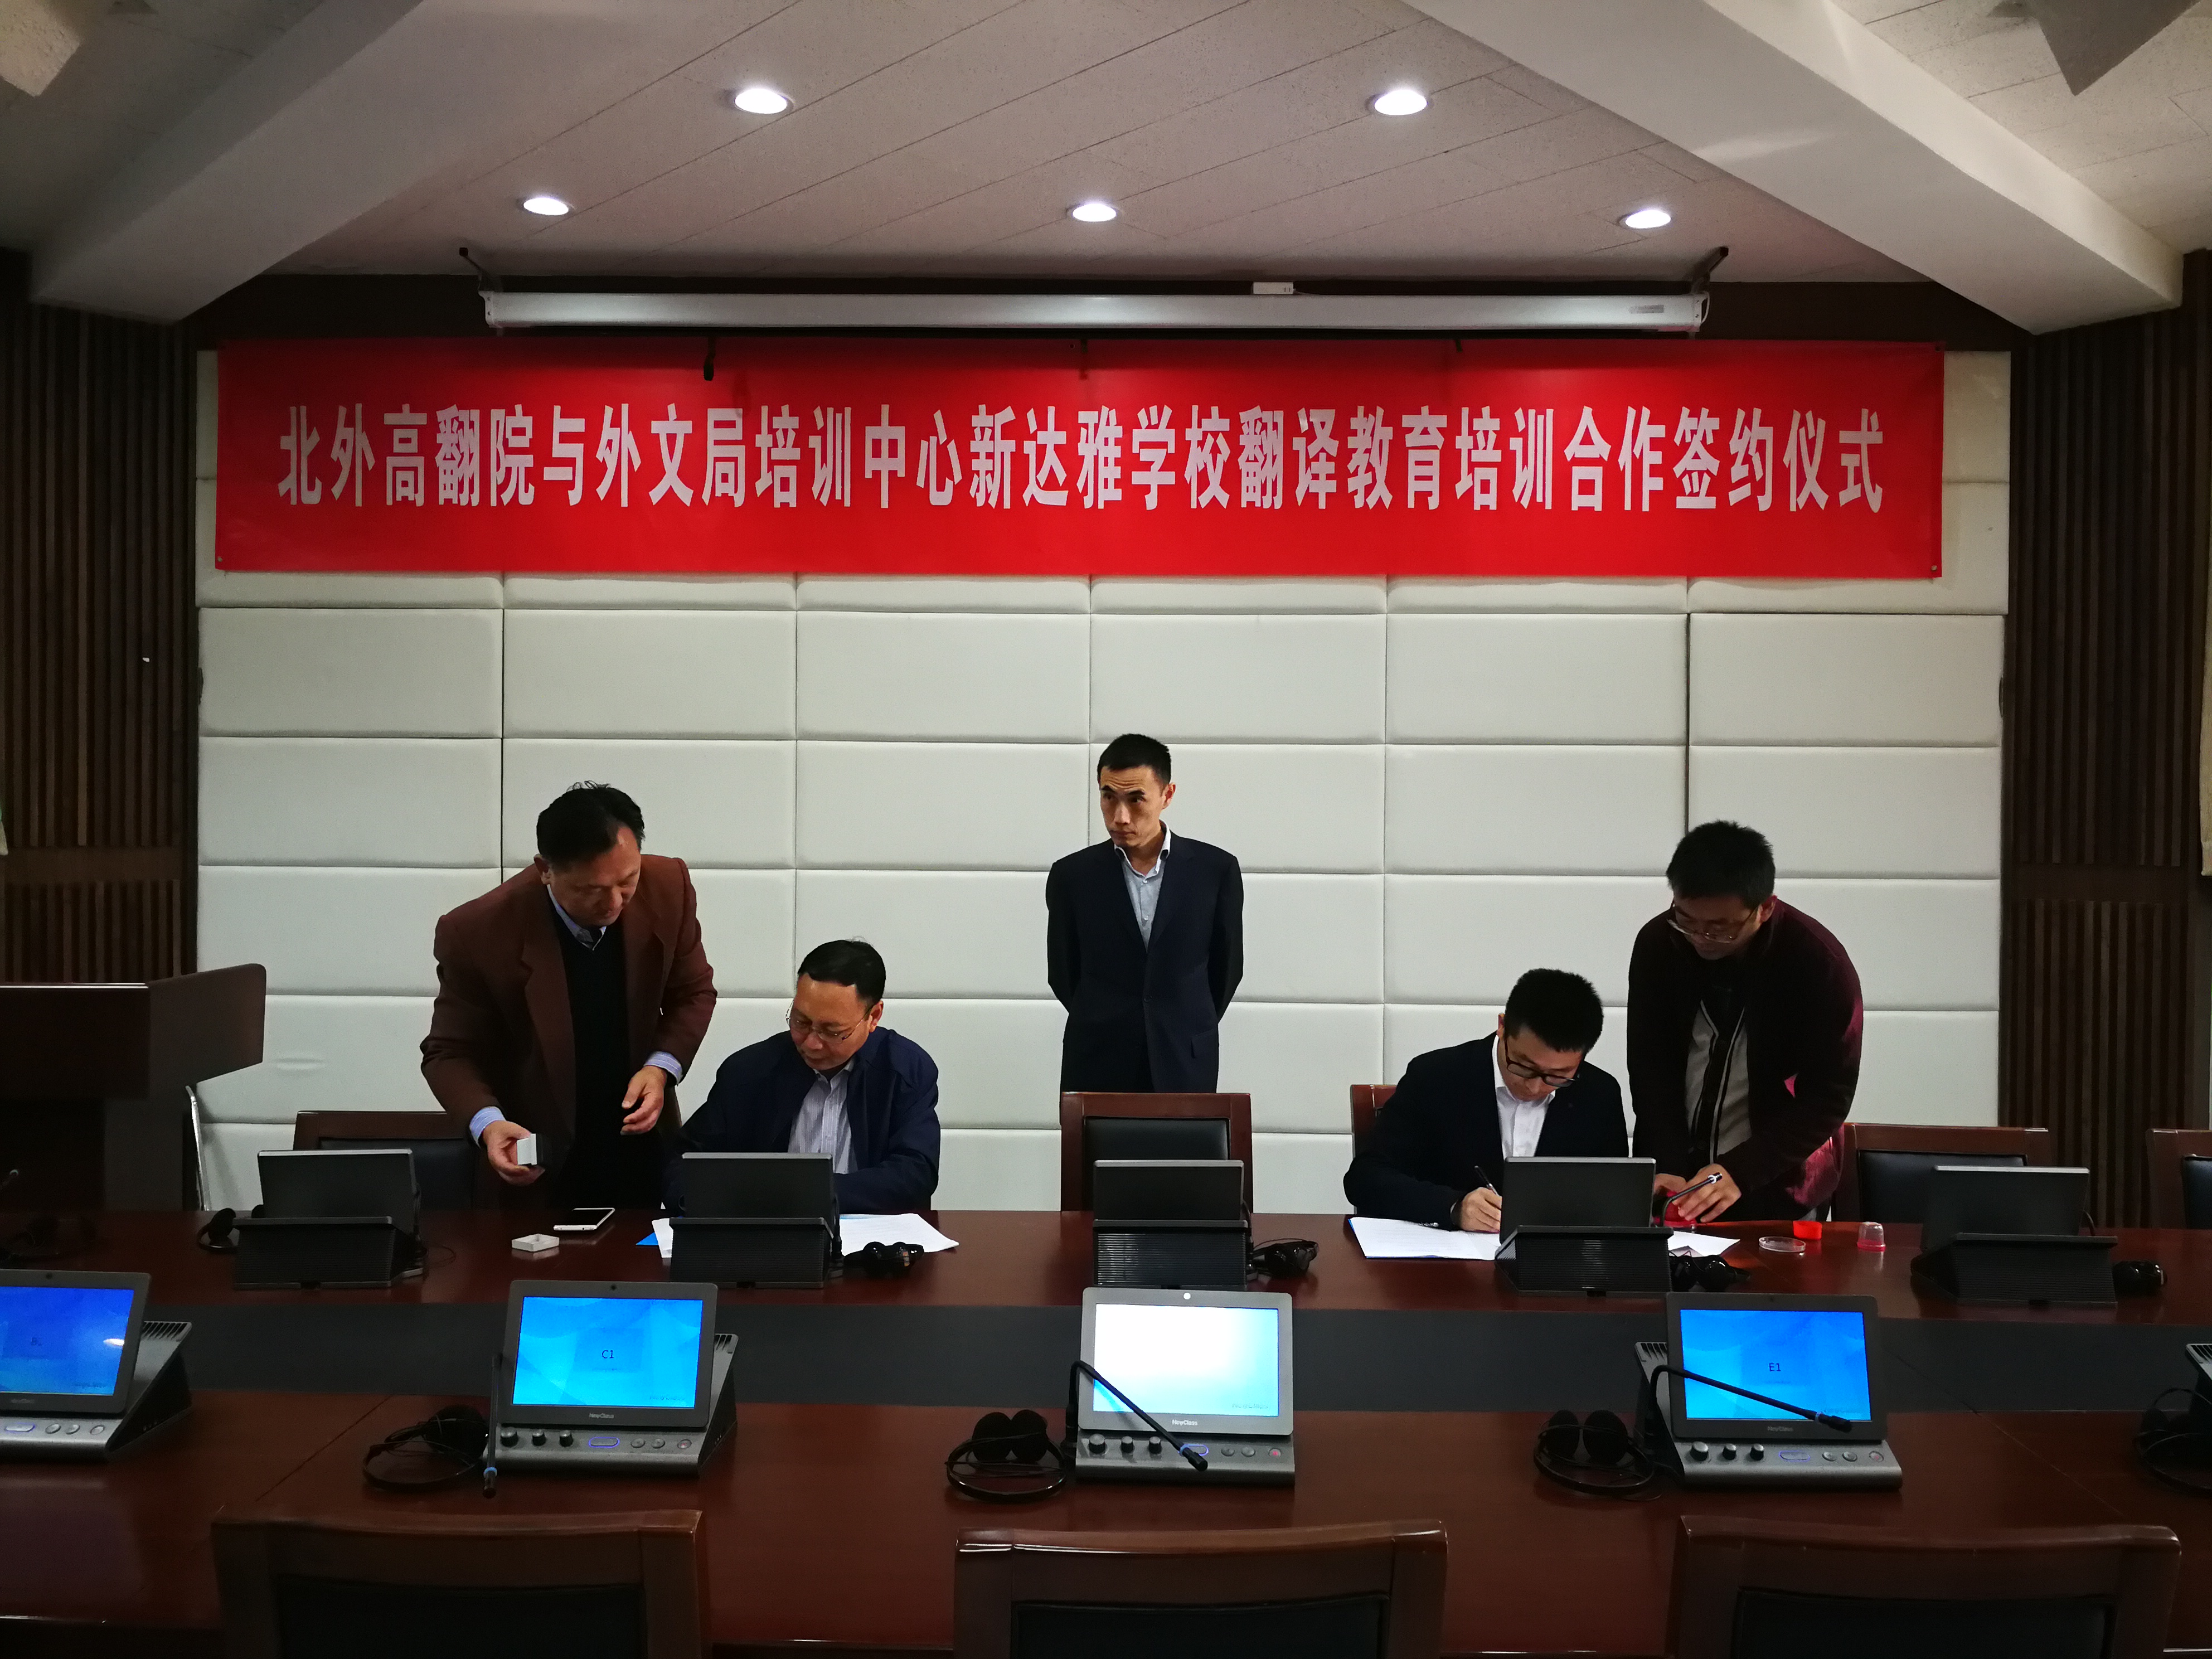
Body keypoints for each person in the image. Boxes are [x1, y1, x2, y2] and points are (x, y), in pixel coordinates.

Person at [422, 782, 715, 1208]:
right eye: (591, 890)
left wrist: (661, 1067)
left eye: (627, 881)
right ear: (546, 869)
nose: (614, 903)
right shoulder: (477, 931)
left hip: (643, 1150)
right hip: (537, 1160)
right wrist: (488, 1124)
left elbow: (694, 992)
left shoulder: (669, 886)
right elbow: (449, 1052)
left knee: (649, 1247)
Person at [1628, 821, 1862, 1225]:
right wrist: (1665, 1162)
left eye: (1720, 929)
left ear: (1765, 907)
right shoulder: (1659, 943)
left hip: (1776, 1183)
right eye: (1687, 919)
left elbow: (1829, 1097)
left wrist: (1742, 1170)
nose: (1700, 938)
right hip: (1676, 1181)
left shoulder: (1820, 965)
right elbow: (1650, 1065)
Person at [1343, 969, 1626, 1231]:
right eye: (1524, 1066)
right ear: (1502, 1026)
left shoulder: (1599, 1094)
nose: (1535, 1086)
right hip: (1446, 1261)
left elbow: (1615, 1197)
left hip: (1554, 1262)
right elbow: (1366, 1178)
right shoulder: (1437, 1076)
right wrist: (1453, 1207)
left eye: (1558, 1076)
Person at [678, 939, 940, 1214]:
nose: (811, 1043)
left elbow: (915, 1173)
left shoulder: (905, 1071)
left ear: (873, 1017)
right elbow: (684, 1161)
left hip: (869, 1232)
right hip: (768, 1233)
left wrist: (805, 1193)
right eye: (801, 1022)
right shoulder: (748, 1071)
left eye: (832, 1031)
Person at [1045, 733, 1244, 1093]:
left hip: (1184, 1058)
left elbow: (1226, 970)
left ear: (1167, 795)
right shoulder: (1072, 876)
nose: (1120, 817)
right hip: (1097, 1059)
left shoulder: (1215, 871)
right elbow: (1063, 973)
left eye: (1136, 799)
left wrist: (1179, 1021)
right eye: (1109, 797)